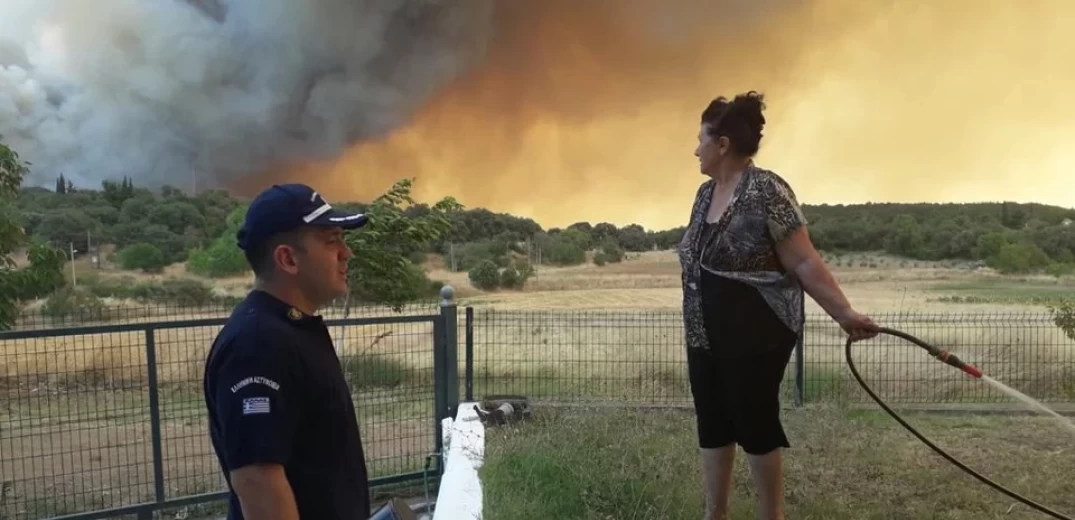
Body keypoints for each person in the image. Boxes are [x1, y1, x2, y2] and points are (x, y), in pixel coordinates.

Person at [677, 91, 880, 520]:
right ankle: (716, 515)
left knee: (753, 422)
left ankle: (773, 517)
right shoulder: (702, 194)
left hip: (757, 333)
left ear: (723, 144)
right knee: (712, 421)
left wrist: (844, 315)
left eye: (700, 139)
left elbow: (803, 259)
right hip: (703, 332)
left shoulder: (767, 190)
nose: (695, 148)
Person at [203, 183, 372, 519]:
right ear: (287, 258)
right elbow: (257, 481)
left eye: (343, 239)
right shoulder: (257, 345)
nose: (346, 253)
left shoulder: (290, 330)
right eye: (331, 240)